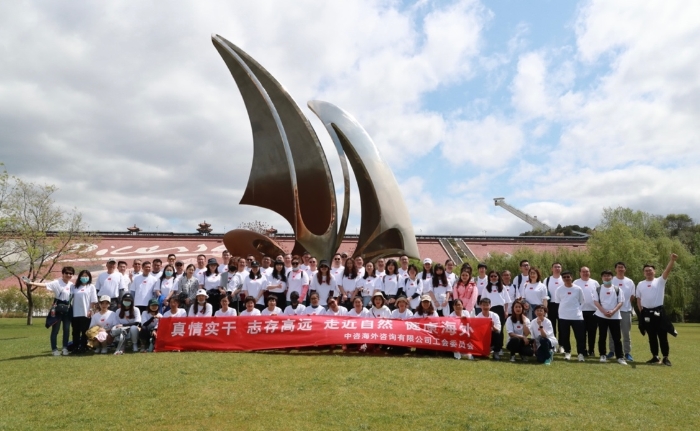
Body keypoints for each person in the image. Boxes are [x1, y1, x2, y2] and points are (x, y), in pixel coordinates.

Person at [636, 253, 678, 366]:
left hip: (659, 312)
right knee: (651, 337)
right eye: (646, 271)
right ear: (643, 273)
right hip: (646, 313)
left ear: (654, 271)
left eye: (650, 270)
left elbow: (667, 271)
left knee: (662, 336)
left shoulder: (660, 281)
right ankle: (655, 356)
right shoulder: (640, 284)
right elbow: (638, 299)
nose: (648, 272)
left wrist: (672, 260)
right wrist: (641, 311)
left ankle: (665, 358)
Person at [26, 266, 74, 356]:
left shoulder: (72, 285)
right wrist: (31, 283)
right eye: (67, 273)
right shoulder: (57, 282)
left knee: (67, 330)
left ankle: (65, 348)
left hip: (67, 308)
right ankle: (54, 349)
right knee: (55, 330)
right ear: (63, 274)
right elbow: (45, 285)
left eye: (71, 273)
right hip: (58, 307)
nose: (68, 275)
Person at [594, 270, 627, 365]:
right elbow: (596, 302)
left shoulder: (617, 289)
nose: (606, 277)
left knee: (617, 338)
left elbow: (620, 302)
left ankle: (620, 357)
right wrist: (604, 312)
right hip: (601, 316)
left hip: (615, 317)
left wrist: (613, 311)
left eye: (608, 276)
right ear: (602, 278)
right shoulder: (598, 289)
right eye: (604, 276)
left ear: (612, 278)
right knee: (602, 336)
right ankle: (602, 355)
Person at [607, 261, 636, 362]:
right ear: (615, 269)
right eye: (618, 267)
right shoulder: (611, 280)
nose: (620, 269)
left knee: (626, 333)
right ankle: (612, 351)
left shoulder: (630, 282)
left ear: (625, 269)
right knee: (612, 333)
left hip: (625, 310)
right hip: (612, 311)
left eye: (622, 267)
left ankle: (627, 353)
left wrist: (625, 304)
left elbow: (632, 296)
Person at [556, 271, 586, 361]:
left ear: (571, 277)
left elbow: (582, 301)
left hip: (577, 316)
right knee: (565, 336)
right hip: (563, 316)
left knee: (580, 336)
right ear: (562, 279)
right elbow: (558, 301)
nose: (566, 278)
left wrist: (578, 310)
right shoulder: (559, 289)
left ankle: (580, 354)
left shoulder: (578, 288)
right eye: (564, 277)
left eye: (568, 277)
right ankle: (567, 352)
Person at [481, 270, 511, 356]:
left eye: (495, 276)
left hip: (500, 310)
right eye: (491, 276)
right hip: (489, 309)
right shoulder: (486, 288)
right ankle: (491, 346)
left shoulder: (502, 287)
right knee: (489, 329)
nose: (493, 278)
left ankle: (499, 347)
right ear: (489, 278)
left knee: (499, 329)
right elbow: (483, 300)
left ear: (498, 277)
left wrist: (506, 311)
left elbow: (507, 301)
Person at [574, 266, 600, 356]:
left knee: (592, 332)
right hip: (580, 311)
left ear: (589, 272)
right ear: (580, 273)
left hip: (593, 311)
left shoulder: (595, 283)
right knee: (581, 332)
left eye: (587, 271)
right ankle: (583, 350)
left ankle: (591, 350)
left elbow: (599, 296)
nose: (585, 273)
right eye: (583, 271)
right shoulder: (576, 282)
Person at [71, 270, 98, 353]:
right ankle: (75, 347)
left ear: (89, 277)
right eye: (83, 276)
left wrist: (90, 310)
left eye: (86, 276)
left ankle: (83, 347)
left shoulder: (91, 287)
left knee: (84, 331)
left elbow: (93, 300)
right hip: (75, 313)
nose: (84, 277)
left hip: (86, 312)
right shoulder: (74, 287)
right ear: (79, 277)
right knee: (75, 331)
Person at [543, 262, 563, 341]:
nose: (557, 268)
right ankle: (553, 343)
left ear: (561, 269)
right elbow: (544, 294)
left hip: (562, 305)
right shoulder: (547, 280)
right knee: (551, 326)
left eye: (559, 267)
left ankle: (561, 344)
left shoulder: (564, 279)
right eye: (555, 267)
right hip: (550, 305)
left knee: (562, 326)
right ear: (552, 269)